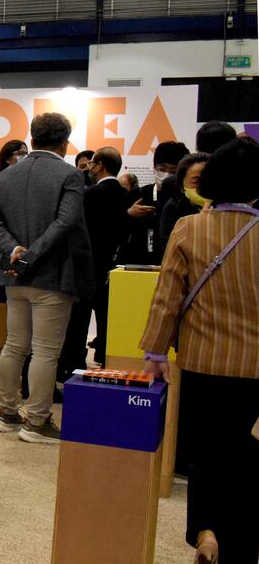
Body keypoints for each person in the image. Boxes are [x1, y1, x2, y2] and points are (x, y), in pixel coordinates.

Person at [140, 137, 259, 564]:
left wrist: (155, 353)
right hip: (255, 369)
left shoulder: (189, 228)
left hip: (204, 362)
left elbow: (167, 296)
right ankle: (243, 544)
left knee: (207, 454)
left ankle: (207, 533)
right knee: (247, 456)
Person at [0, 113, 93, 444]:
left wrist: (15, 249)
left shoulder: (7, 175)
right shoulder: (71, 175)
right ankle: (36, 420)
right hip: (53, 274)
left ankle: (6, 412)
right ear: (65, 142)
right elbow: (66, 222)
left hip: (14, 273)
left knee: (15, 344)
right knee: (45, 350)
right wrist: (33, 252)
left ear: (32, 138)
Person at [61, 147, 127, 372]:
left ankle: (73, 363)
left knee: (78, 321)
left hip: (85, 265)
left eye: (92, 164)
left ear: (100, 165)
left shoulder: (89, 195)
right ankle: (110, 362)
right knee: (108, 319)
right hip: (113, 267)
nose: (89, 168)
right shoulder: (126, 195)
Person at [119, 141, 190, 265]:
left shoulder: (185, 198)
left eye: (173, 171)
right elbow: (117, 228)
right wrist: (129, 214)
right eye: (161, 169)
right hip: (138, 261)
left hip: (175, 261)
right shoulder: (139, 194)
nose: (166, 174)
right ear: (154, 167)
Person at [159, 153, 211, 247]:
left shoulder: (225, 206)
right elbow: (170, 247)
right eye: (197, 181)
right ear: (182, 185)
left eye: (210, 179)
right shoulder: (173, 208)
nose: (204, 185)